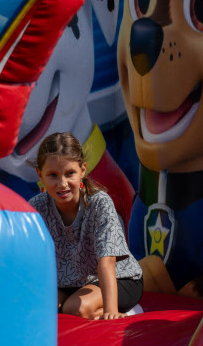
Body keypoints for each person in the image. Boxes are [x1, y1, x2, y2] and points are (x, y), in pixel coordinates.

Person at [30, 132, 143, 319]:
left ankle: (129, 312)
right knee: (42, 306)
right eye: (53, 175)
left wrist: (111, 311)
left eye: (69, 174)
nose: (62, 184)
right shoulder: (36, 207)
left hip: (118, 279)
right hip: (71, 283)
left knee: (76, 309)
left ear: (82, 170)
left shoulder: (99, 203)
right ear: (40, 174)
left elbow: (107, 262)